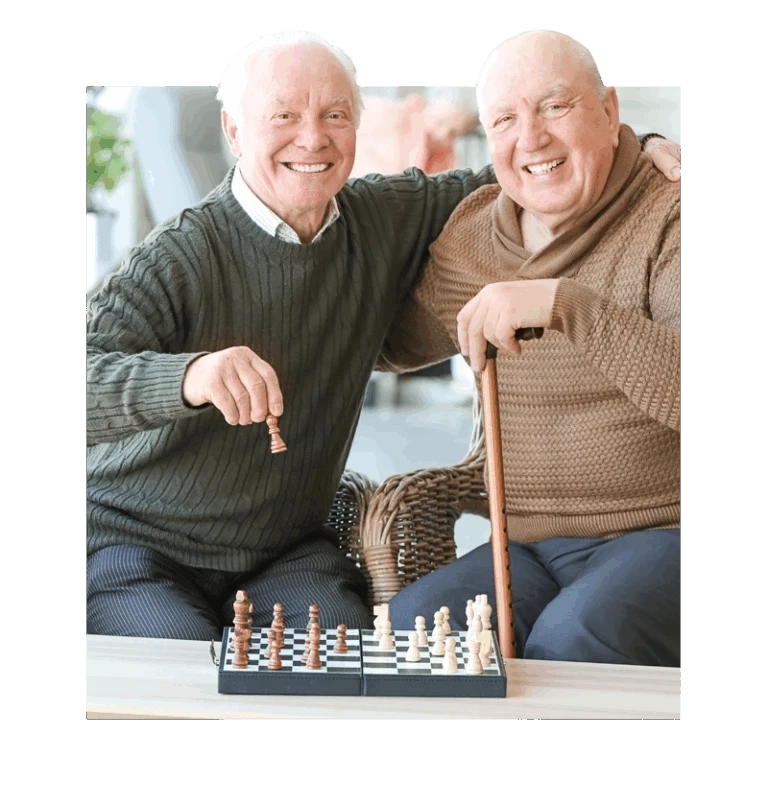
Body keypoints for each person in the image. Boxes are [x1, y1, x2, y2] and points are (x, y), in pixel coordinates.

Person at [86, 27, 681, 641]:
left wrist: (644, 147)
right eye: (283, 115)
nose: (312, 137)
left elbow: (532, 167)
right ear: (234, 131)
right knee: (182, 673)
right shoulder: (176, 258)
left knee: (362, 666)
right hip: (138, 544)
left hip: (281, 553)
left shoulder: (386, 216)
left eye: (334, 114)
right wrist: (187, 377)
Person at [383, 29, 681, 667]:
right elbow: (386, 345)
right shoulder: (473, 235)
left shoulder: (673, 214)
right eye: (505, 119)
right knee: (415, 634)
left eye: (555, 106)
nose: (532, 138)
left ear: (609, 110)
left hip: (669, 536)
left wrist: (563, 304)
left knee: (572, 640)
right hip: (526, 548)